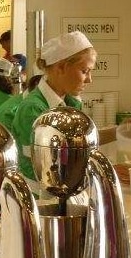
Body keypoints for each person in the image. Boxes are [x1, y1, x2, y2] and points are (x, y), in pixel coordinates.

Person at [11, 31, 97, 180]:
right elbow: (48, 167)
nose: (89, 79)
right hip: (40, 197)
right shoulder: (32, 110)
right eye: (84, 71)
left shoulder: (70, 102)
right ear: (61, 68)